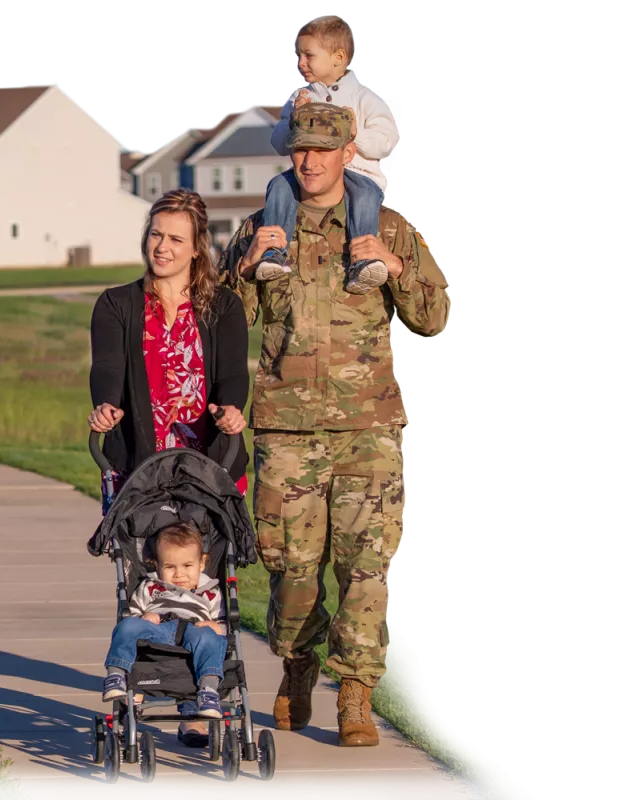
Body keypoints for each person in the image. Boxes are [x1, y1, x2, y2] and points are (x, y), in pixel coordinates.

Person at [217, 104, 450, 747]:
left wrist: (397, 270)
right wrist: (246, 266)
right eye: (301, 150)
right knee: (290, 567)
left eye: (324, 149)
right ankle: (297, 665)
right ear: (289, 152)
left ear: (349, 151)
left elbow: (433, 318)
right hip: (287, 428)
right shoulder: (263, 226)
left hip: (367, 429)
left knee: (364, 566)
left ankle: (356, 694)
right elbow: (223, 327)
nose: (311, 161)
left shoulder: (388, 228)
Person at [88, 187, 249, 747]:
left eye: (175, 238)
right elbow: (107, 368)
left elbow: (233, 375)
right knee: (150, 578)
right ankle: (140, 681)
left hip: (209, 466)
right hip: (141, 468)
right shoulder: (117, 304)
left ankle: (196, 700)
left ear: (197, 248)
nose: (161, 246)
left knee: (203, 578)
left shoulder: (223, 306)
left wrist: (232, 411)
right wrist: (107, 405)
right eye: (155, 234)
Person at [258, 14, 400, 295]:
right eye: (299, 55)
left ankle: (363, 261)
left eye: (308, 55)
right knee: (278, 186)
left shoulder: (364, 99)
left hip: (358, 174)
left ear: (339, 57)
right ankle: (273, 253)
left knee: (364, 197)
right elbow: (278, 143)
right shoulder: (299, 99)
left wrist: (356, 134)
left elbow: (386, 142)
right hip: (310, 177)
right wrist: (293, 120)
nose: (301, 63)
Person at [102, 521, 228, 718]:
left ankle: (208, 690)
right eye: (169, 566)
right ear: (157, 565)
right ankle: (117, 674)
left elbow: (223, 624)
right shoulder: (151, 586)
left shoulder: (210, 591)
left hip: (194, 629)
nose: (179, 574)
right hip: (158, 629)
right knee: (127, 626)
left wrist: (215, 627)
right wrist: (143, 618)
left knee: (211, 638)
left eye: (187, 566)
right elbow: (133, 613)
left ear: (202, 564)